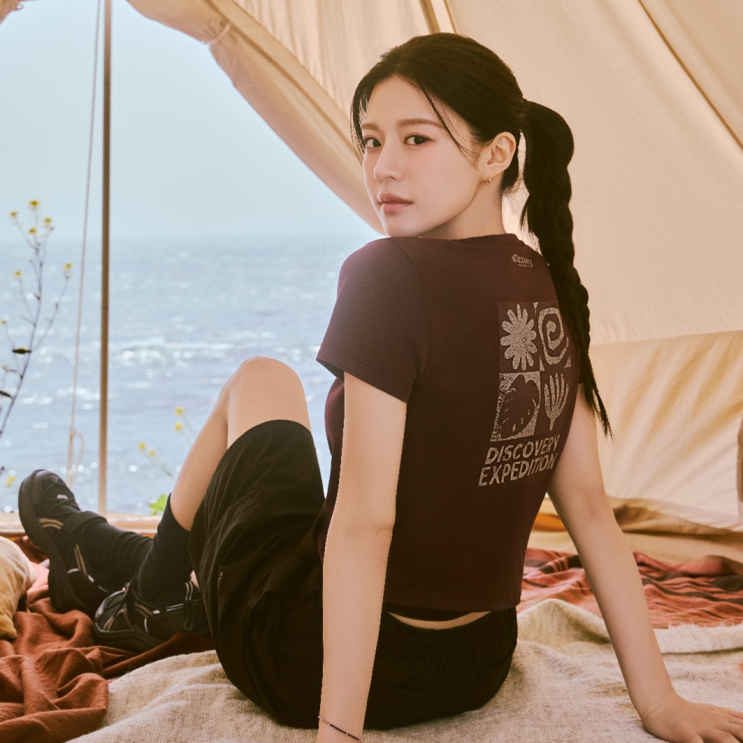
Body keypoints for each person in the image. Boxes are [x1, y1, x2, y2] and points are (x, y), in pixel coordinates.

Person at [19, 32, 743, 743]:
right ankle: (118, 563)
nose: (382, 167)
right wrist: (658, 701)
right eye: (370, 140)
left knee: (261, 380)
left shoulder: (388, 276)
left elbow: (366, 525)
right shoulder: (551, 285)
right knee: (286, 507)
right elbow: (589, 509)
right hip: (474, 663)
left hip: (306, 659)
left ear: (496, 154)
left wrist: (338, 732)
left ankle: (141, 586)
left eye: (416, 139)